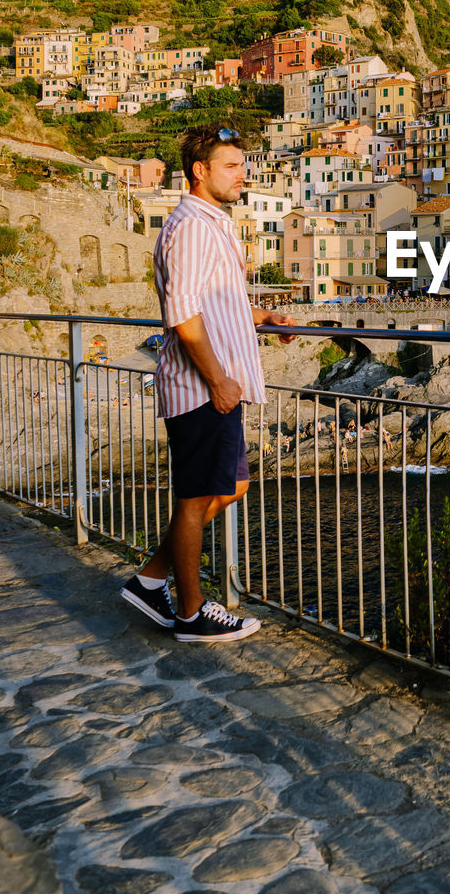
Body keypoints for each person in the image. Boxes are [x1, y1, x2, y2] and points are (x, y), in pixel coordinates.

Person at [120, 125, 296, 644]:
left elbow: (214, 300)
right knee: (196, 498)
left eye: (243, 164)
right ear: (201, 171)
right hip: (202, 386)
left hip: (218, 383)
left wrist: (259, 316)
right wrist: (218, 379)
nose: (243, 174)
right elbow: (184, 315)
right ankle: (192, 614)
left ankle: (152, 579)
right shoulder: (192, 227)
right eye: (232, 166)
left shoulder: (209, 223)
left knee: (232, 485)